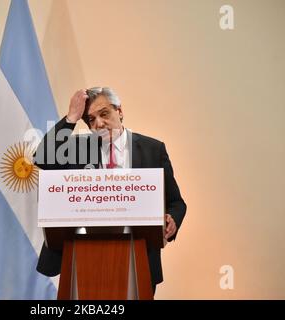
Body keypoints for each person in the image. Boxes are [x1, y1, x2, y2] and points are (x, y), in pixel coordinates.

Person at [34, 87, 187, 294]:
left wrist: (173, 218)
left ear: (120, 111)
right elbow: (42, 158)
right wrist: (71, 117)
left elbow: (176, 202)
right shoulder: (78, 149)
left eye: (104, 113)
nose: (99, 123)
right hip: (83, 257)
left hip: (139, 256)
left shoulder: (153, 149)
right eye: (91, 120)